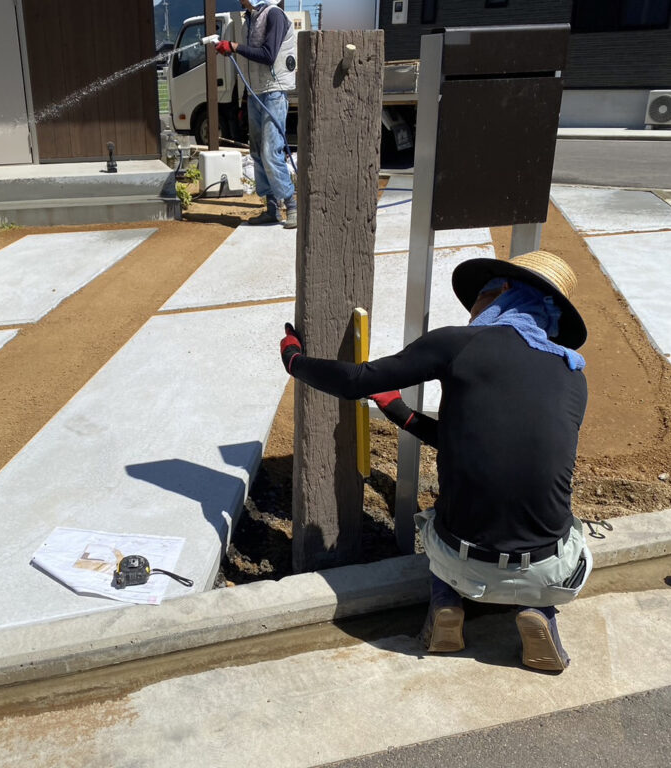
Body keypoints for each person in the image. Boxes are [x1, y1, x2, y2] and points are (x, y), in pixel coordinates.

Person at [278, 251, 593, 672]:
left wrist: (293, 360)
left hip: (464, 560)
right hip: (549, 571)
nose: (472, 310)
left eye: (479, 298)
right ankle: (541, 613)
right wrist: (400, 413)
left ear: (501, 293)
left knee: (434, 519)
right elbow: (490, 443)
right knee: (567, 525)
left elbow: (356, 381)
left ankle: (446, 604)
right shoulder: (573, 374)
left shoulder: (459, 344)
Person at [216, 0, 298, 229]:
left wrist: (234, 46)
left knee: (271, 151)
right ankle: (271, 208)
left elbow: (268, 54)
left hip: (273, 91)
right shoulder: (250, 19)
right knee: (257, 153)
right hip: (256, 93)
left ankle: (292, 206)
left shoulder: (274, 15)